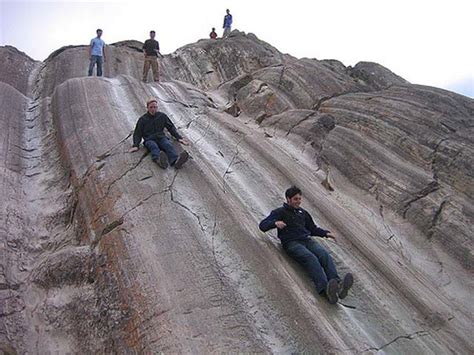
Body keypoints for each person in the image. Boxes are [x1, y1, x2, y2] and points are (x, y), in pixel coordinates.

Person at [259, 186, 353, 304]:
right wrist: (275, 223)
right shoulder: (280, 212)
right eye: (295, 199)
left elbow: (312, 229)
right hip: (291, 243)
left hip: (307, 240)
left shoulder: (303, 213)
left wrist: (326, 234)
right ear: (288, 199)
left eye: (299, 199)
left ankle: (337, 285)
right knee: (311, 258)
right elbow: (262, 225)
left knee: (324, 255)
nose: (298, 201)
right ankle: (324, 289)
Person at [129, 99, 190, 169]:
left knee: (167, 144)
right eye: (151, 107)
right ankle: (159, 160)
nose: (153, 109)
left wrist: (179, 138)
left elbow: (170, 127)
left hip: (161, 137)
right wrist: (135, 145)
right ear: (147, 108)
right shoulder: (142, 119)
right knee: (153, 146)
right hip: (149, 139)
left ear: (157, 107)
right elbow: (137, 133)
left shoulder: (162, 116)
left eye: (155, 107)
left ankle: (176, 161)